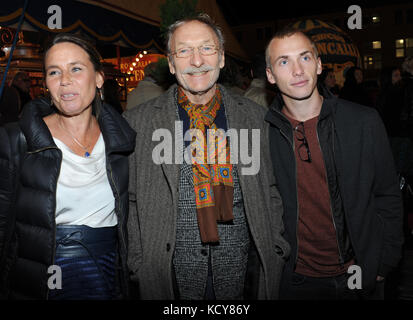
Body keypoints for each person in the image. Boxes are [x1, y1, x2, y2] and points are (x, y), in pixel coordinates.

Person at [123, 13, 289, 300]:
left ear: (222, 58)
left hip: (242, 272)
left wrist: (276, 245)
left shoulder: (256, 118)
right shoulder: (138, 122)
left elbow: (271, 190)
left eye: (206, 48)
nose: (197, 61)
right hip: (168, 276)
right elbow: (131, 199)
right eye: (184, 51)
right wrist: (139, 261)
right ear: (172, 63)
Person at [264, 25, 403, 300]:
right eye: (284, 61)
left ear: (318, 65)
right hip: (295, 279)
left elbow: (387, 193)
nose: (297, 70)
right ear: (270, 75)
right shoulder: (264, 134)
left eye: (304, 58)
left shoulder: (363, 121)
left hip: (357, 272)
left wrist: (384, 261)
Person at [0, 33, 136, 300]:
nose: (64, 80)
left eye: (76, 68)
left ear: (98, 78)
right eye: (54, 72)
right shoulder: (16, 139)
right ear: (47, 84)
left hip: (109, 270)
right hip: (42, 275)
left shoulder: (124, 140)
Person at [376, 66, 404, 137]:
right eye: (396, 75)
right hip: (390, 133)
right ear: (388, 78)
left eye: (400, 75)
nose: (400, 78)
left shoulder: (399, 91)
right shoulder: (388, 94)